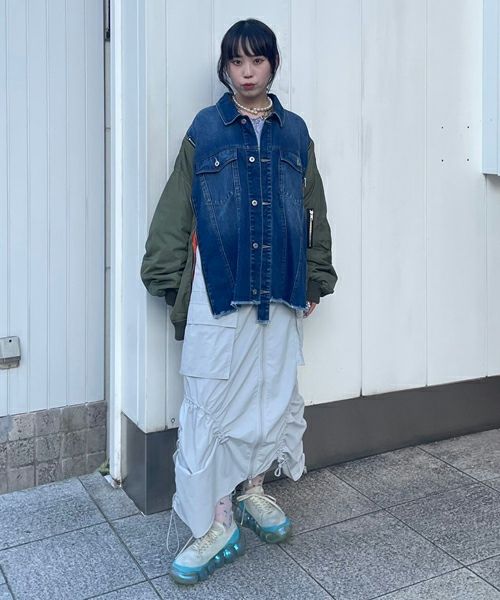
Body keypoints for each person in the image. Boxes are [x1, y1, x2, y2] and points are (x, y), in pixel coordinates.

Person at [140, 18, 337, 585]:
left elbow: (313, 209)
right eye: (236, 61)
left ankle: (252, 492)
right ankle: (217, 519)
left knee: (269, 394)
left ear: (272, 64)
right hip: (220, 288)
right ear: (225, 68)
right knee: (213, 400)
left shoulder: (295, 133)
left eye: (257, 60)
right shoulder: (206, 128)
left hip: (280, 288)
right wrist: (165, 276)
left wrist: (315, 276)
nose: (247, 72)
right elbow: (178, 205)